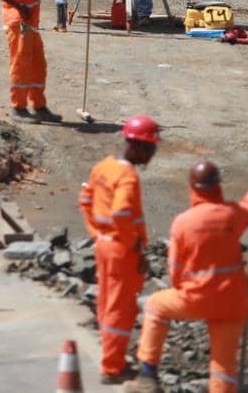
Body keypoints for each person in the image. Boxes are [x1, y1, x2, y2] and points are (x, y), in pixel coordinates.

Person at [127, 160, 248, 393]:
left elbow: (175, 268)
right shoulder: (232, 214)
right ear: (217, 185)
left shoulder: (184, 223)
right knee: (223, 364)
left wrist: (182, 287)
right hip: (232, 302)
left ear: (193, 187)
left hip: (196, 298)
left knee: (155, 306)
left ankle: (147, 376)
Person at [78, 114, 160, 384]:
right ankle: (111, 368)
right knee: (120, 309)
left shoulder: (104, 166)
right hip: (121, 250)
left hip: (103, 245)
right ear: (138, 147)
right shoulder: (127, 176)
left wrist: (96, 233)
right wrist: (132, 245)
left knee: (106, 301)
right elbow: (122, 211)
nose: (151, 155)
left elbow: (86, 199)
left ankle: (110, 356)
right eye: (150, 149)